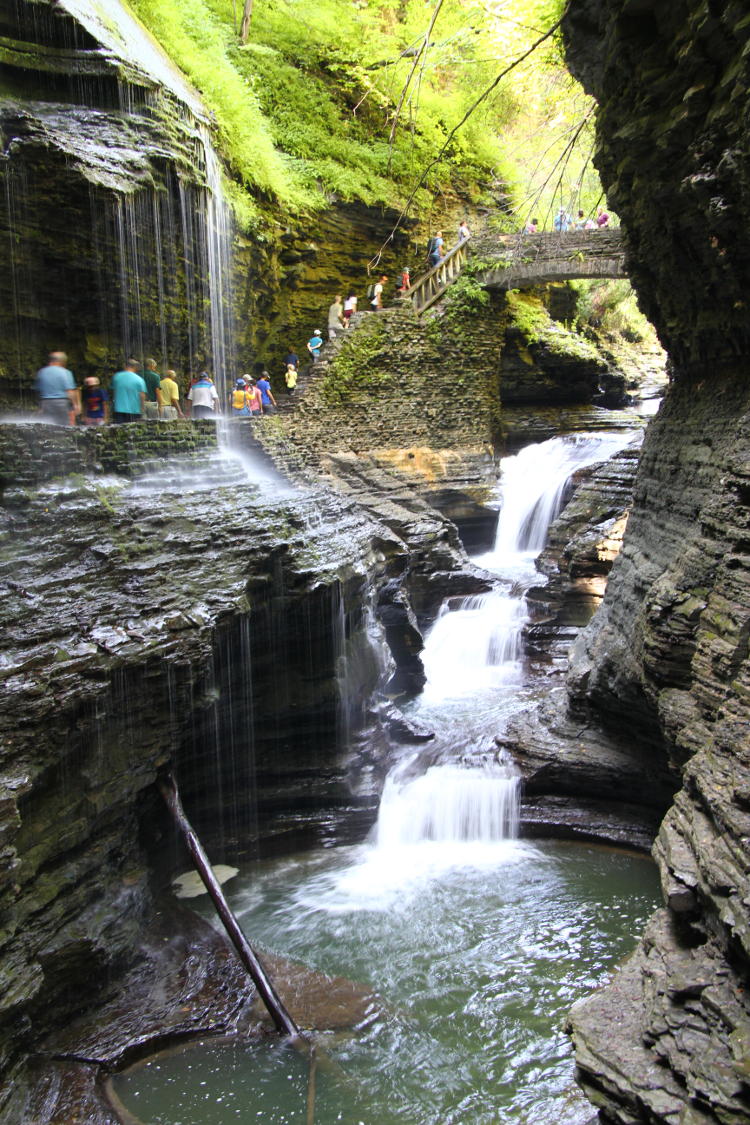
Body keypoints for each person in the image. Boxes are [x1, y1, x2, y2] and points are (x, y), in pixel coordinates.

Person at [34, 351, 78, 425]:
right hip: (62, 403)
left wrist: (40, 406)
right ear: (62, 361)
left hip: (46, 403)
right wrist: (75, 405)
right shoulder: (65, 372)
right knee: (66, 426)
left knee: (48, 426)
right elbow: (70, 391)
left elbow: (38, 391)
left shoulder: (41, 372)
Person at [111, 358, 147, 423]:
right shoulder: (139, 380)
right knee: (133, 431)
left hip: (119, 410)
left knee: (119, 430)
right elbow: (142, 395)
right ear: (135, 367)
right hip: (134, 411)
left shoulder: (116, 377)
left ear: (125, 366)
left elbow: (114, 392)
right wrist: (142, 409)